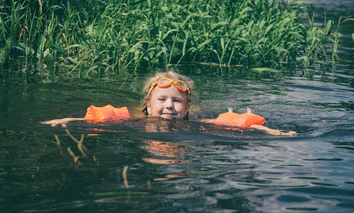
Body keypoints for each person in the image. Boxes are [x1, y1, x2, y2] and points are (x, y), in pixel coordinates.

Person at [41, 71, 296, 136]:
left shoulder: (197, 122)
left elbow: (240, 128)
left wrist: (265, 128)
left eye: (177, 101)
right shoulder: (138, 120)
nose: (169, 106)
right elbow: (96, 121)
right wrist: (69, 120)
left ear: (186, 108)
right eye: (162, 100)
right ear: (149, 106)